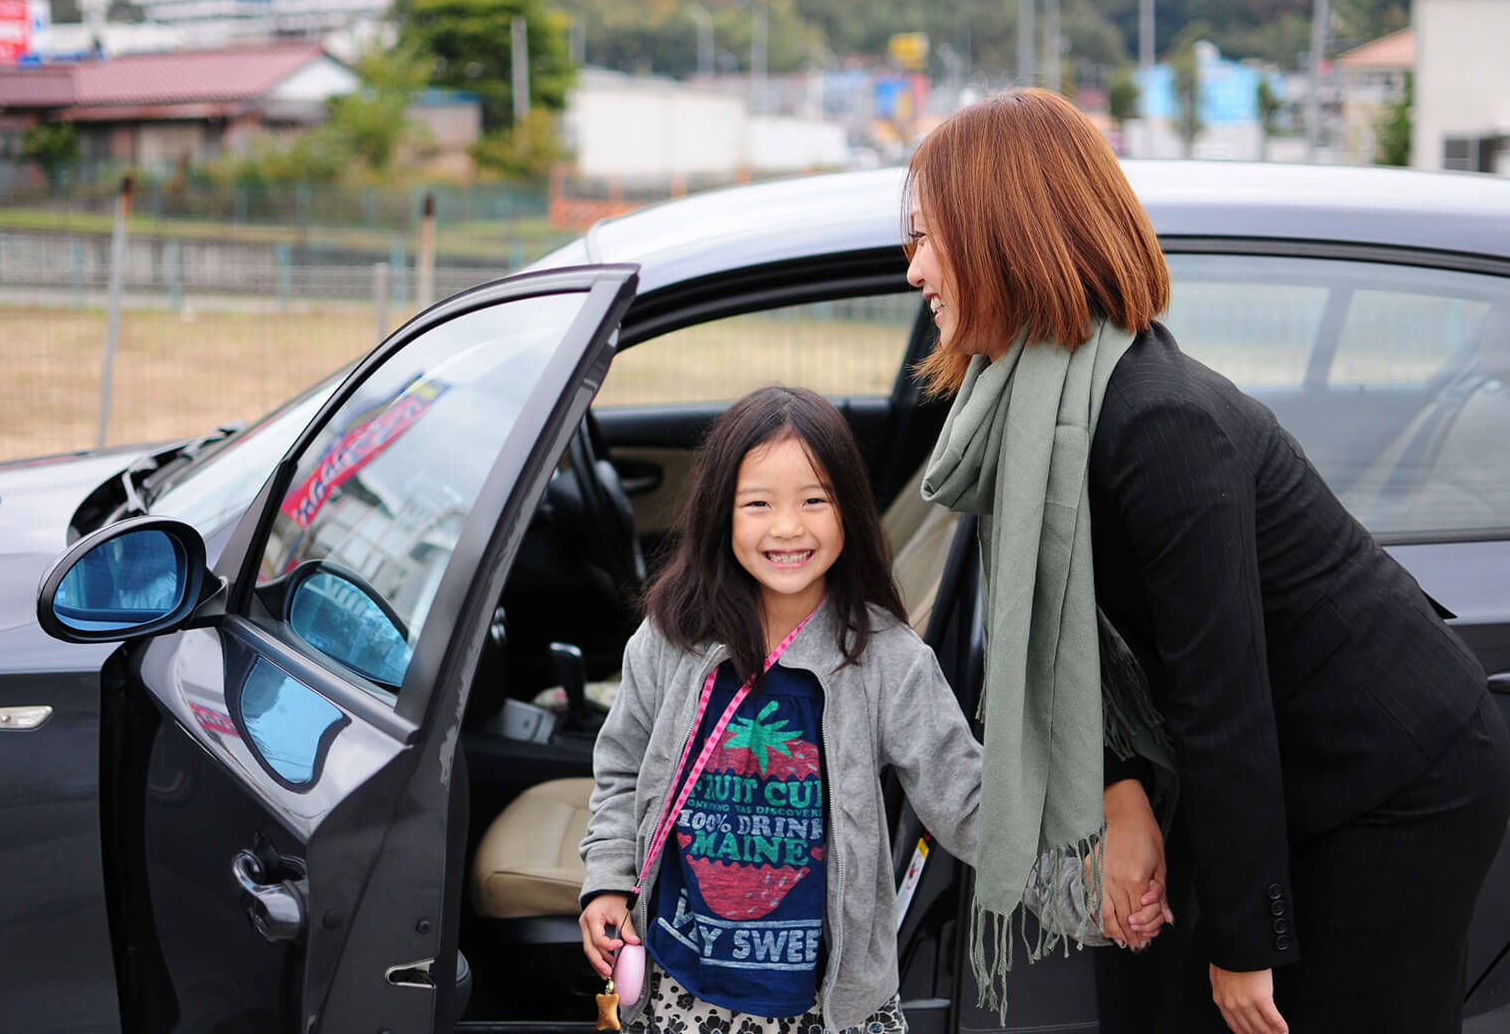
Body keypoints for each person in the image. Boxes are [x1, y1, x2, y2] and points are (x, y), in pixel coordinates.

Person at [904, 87, 1510, 1034]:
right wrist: (1117, 784)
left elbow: (1222, 695)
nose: (914, 270)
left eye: (928, 237)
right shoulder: (1036, 409)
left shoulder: (1156, 421)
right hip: (1253, 771)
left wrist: (1244, 942)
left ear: (1003, 238)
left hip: (1394, 780)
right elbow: (1095, 633)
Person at [576, 385, 1163, 1034]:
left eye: (814, 501)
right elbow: (622, 766)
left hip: (829, 1009)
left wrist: (1086, 895)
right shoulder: (672, 638)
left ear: (849, 512)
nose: (788, 526)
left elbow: (971, 802)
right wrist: (608, 879)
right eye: (758, 504)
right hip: (682, 994)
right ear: (720, 514)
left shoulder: (886, 659)